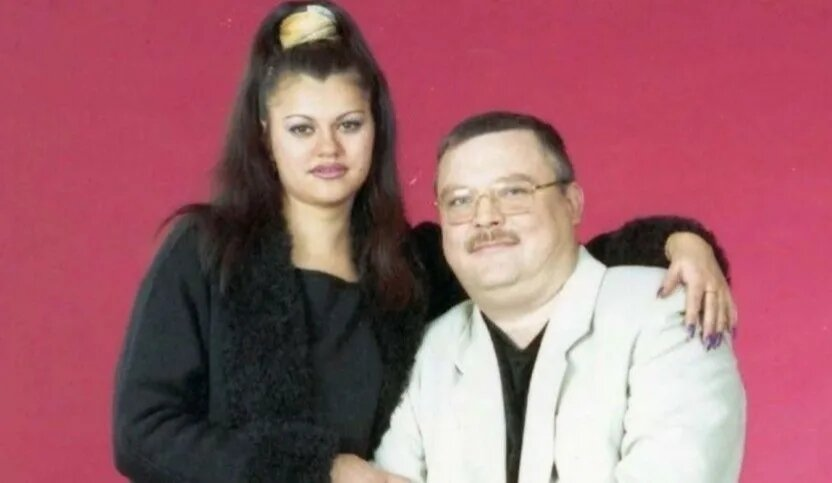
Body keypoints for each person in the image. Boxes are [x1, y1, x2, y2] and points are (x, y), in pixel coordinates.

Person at [112, 3, 736, 482]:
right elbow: (142, 435)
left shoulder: (412, 264)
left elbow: (545, 259)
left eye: (349, 124)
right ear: (265, 134)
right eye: (302, 129)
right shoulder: (207, 251)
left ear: (376, 129)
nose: (328, 148)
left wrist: (680, 241)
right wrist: (322, 470)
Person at [374, 112, 746, 483]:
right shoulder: (431, 353)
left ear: (572, 203)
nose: (485, 217)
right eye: (459, 200)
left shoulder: (669, 312)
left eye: (514, 192)